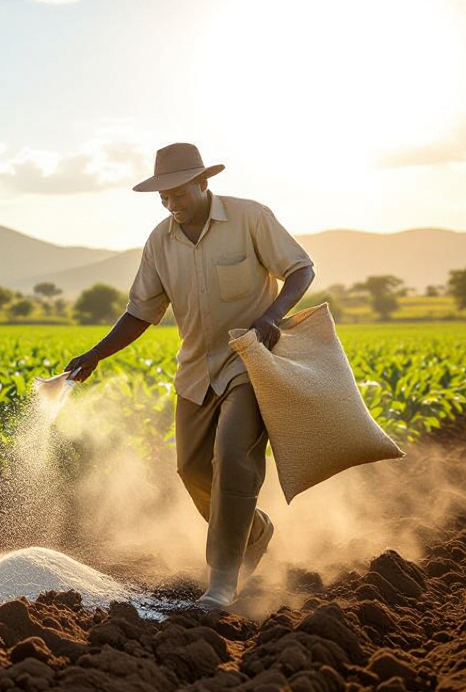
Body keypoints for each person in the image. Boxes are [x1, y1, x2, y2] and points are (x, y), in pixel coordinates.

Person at [64, 142, 315, 609]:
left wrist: (275, 314)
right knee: (191, 469)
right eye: (163, 197)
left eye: (178, 193)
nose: (170, 204)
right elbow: (141, 312)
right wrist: (96, 353)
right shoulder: (160, 241)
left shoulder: (250, 218)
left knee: (233, 458)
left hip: (250, 359)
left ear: (203, 183)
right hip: (198, 370)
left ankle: (222, 580)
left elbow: (301, 268)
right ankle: (254, 530)